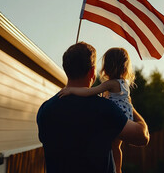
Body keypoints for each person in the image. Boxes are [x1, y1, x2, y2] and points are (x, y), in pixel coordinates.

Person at [36, 42, 149, 173]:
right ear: (92, 72)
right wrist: (130, 106)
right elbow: (143, 137)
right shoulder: (104, 108)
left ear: (66, 69)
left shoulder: (45, 110)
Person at [58, 47, 135, 173]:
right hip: (125, 116)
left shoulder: (112, 83)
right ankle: (118, 170)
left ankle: (117, 169)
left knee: (109, 145)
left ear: (107, 66)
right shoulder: (123, 84)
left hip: (115, 118)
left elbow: (90, 92)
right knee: (116, 147)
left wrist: (71, 90)